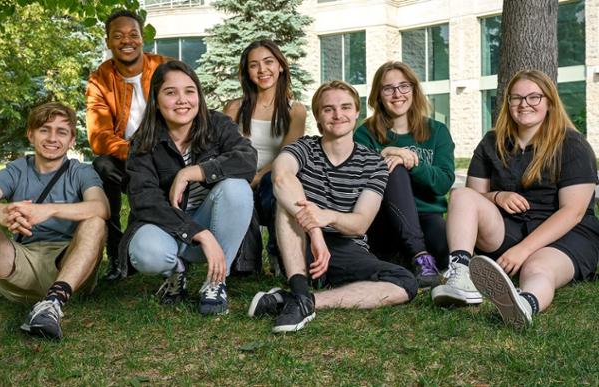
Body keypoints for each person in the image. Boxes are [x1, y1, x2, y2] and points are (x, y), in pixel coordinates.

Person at [431, 70, 599, 327]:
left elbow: (573, 211)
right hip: (509, 226)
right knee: (461, 195)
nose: (524, 104)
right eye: (517, 98)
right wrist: (496, 196)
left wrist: (523, 250)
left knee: (536, 268)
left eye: (534, 97)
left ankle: (524, 304)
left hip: (566, 233)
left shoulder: (572, 144)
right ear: (508, 103)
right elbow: (473, 197)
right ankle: (461, 276)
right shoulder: (491, 142)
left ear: (549, 102)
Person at [0, 102, 109, 342]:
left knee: (96, 222)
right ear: (31, 135)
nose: (52, 138)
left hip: (69, 266)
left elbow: (101, 207)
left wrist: (48, 210)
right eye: (44, 129)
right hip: (20, 264)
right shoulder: (16, 170)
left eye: (61, 131)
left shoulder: (81, 172)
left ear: (72, 140)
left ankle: (52, 306)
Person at [249, 81, 418, 333]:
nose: (338, 115)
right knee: (287, 202)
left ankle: (302, 300)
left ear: (357, 113)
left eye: (345, 107)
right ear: (317, 117)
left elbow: (359, 224)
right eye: (328, 109)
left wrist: (325, 216)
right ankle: (298, 286)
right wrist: (315, 230)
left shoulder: (373, 164)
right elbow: (281, 177)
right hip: (300, 243)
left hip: (346, 248)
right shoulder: (303, 148)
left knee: (405, 283)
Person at [119, 61, 257, 316]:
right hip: (169, 226)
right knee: (145, 251)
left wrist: (193, 172)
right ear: (157, 100)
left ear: (199, 96)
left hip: (214, 219)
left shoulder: (217, 124)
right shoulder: (143, 141)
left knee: (236, 188)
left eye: (189, 91)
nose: (182, 100)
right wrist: (200, 233)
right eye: (171, 92)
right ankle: (176, 273)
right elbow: (144, 200)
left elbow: (247, 159)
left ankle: (217, 280)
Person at [354, 61, 455, 288]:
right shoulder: (365, 133)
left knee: (443, 246)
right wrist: (386, 154)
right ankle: (419, 255)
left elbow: (443, 183)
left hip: (427, 216)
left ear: (414, 90)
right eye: (388, 88)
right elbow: (357, 179)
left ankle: (411, 257)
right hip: (383, 219)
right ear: (378, 95)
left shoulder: (437, 131)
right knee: (392, 166)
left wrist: (411, 162)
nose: (397, 94)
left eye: (404, 86)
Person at [86, 9, 169, 281]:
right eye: (118, 36)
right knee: (100, 168)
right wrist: (134, 152)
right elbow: (98, 136)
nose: (126, 40)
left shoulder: (164, 68)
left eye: (133, 34)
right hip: (127, 157)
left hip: (167, 156)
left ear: (143, 38)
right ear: (108, 41)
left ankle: (140, 246)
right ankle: (115, 254)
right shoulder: (100, 79)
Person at [223, 40, 306, 274]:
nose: (262, 70)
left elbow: (287, 154)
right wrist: (246, 178)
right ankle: (246, 260)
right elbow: (225, 152)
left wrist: (258, 177)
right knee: (235, 185)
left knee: (275, 180)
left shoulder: (295, 110)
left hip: (272, 181)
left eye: (268, 62)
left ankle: (278, 252)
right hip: (241, 179)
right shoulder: (234, 108)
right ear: (247, 72)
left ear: (280, 66)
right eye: (254, 65)